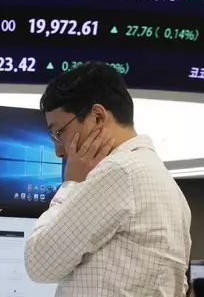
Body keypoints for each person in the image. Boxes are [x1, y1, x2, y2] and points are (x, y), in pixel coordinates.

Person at [25, 62, 192, 296]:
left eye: (58, 133)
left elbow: (40, 263)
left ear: (97, 116)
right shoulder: (166, 182)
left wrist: (71, 185)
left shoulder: (118, 172)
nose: (59, 151)